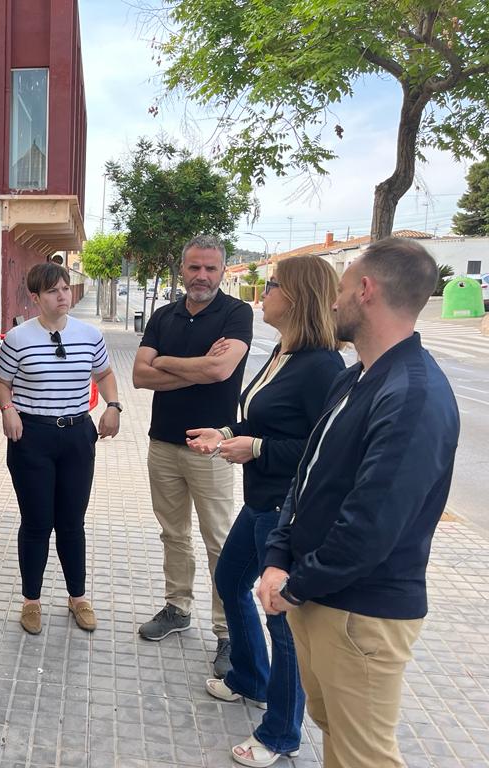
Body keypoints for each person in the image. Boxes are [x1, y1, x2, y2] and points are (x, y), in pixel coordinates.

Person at [258, 238, 459, 768]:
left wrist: (295, 584)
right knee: (339, 740)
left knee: (364, 755)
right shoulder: (357, 376)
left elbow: (371, 526)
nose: (332, 301)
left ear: (366, 291)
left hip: (361, 613)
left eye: (341, 289)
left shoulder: (413, 395)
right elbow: (308, 476)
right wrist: (278, 556)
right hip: (318, 597)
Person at [185, 256, 345, 767]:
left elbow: (322, 450)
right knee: (230, 581)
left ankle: (280, 732)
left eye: (272, 285)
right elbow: (262, 418)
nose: (263, 291)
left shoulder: (322, 366)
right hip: (259, 501)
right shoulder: (283, 351)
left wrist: (255, 449)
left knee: (282, 620)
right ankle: (250, 678)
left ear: (296, 297)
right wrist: (225, 434)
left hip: (285, 509)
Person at [132, 234, 253, 677]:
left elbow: (221, 370)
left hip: (213, 446)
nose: (202, 276)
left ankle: (227, 630)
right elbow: (139, 376)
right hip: (163, 443)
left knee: (218, 539)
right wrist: (198, 368)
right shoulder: (164, 316)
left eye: (210, 268)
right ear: (182, 270)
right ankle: (177, 608)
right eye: (194, 267)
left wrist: (166, 361)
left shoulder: (236, 314)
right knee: (173, 534)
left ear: (222, 271)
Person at [0, 262, 120, 635]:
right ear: (36, 298)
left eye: (64, 288)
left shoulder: (89, 335)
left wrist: (113, 406)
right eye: (52, 291)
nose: (62, 295)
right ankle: (31, 601)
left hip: (77, 435)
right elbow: (1, 382)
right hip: (32, 437)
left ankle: (77, 597)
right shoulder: (18, 338)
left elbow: (104, 373)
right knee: (36, 523)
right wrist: (8, 409)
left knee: (72, 522)